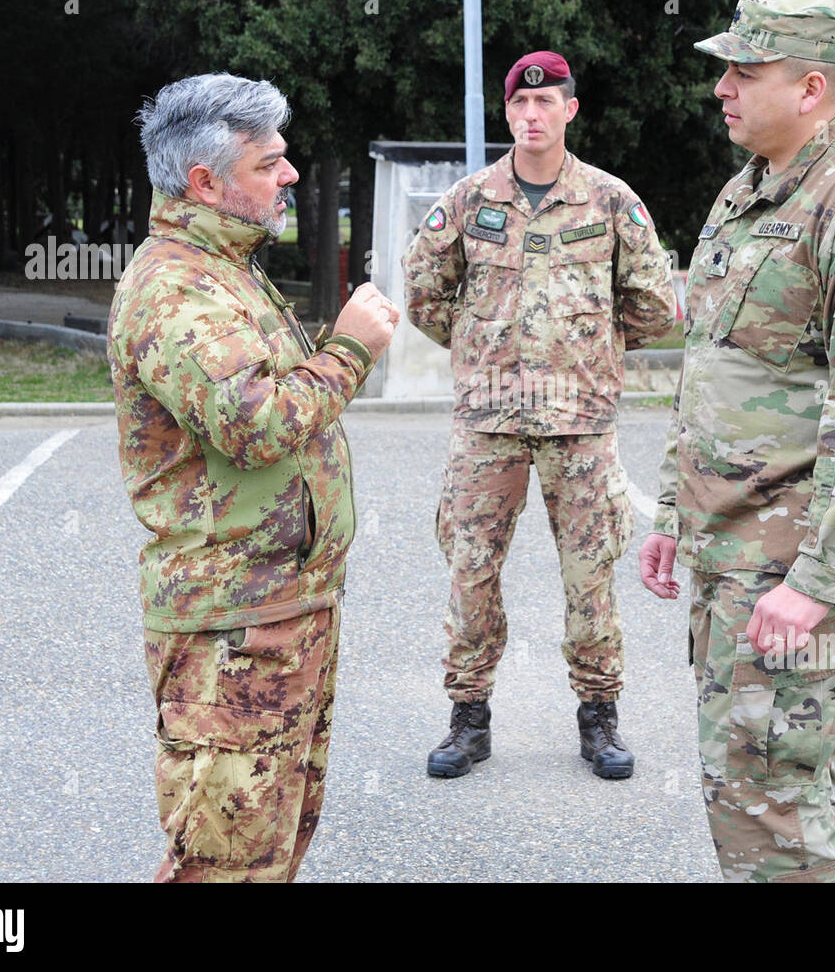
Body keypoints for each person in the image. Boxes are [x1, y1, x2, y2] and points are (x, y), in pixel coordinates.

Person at [638, 0, 835, 881]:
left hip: (795, 564)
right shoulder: (748, 194)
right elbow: (712, 370)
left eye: (746, 70)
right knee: (746, 786)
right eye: (725, 69)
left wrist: (816, 581)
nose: (723, 88)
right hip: (730, 549)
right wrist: (671, 513)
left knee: (772, 795)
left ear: (811, 86)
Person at [108, 72, 399, 882]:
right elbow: (256, 422)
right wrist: (349, 350)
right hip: (231, 628)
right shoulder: (177, 285)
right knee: (224, 860)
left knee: (264, 848)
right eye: (268, 163)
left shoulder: (225, 265)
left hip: (280, 610)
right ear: (205, 182)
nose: (291, 174)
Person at [403, 51, 677, 780]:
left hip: (580, 423)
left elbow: (654, 302)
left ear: (569, 110)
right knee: (470, 570)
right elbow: (426, 291)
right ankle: (468, 718)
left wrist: (591, 349)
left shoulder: (612, 201)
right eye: (521, 106)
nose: (532, 116)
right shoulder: (468, 200)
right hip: (487, 421)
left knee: (590, 576)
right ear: (508, 113)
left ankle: (599, 716)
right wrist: (480, 347)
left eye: (547, 103)